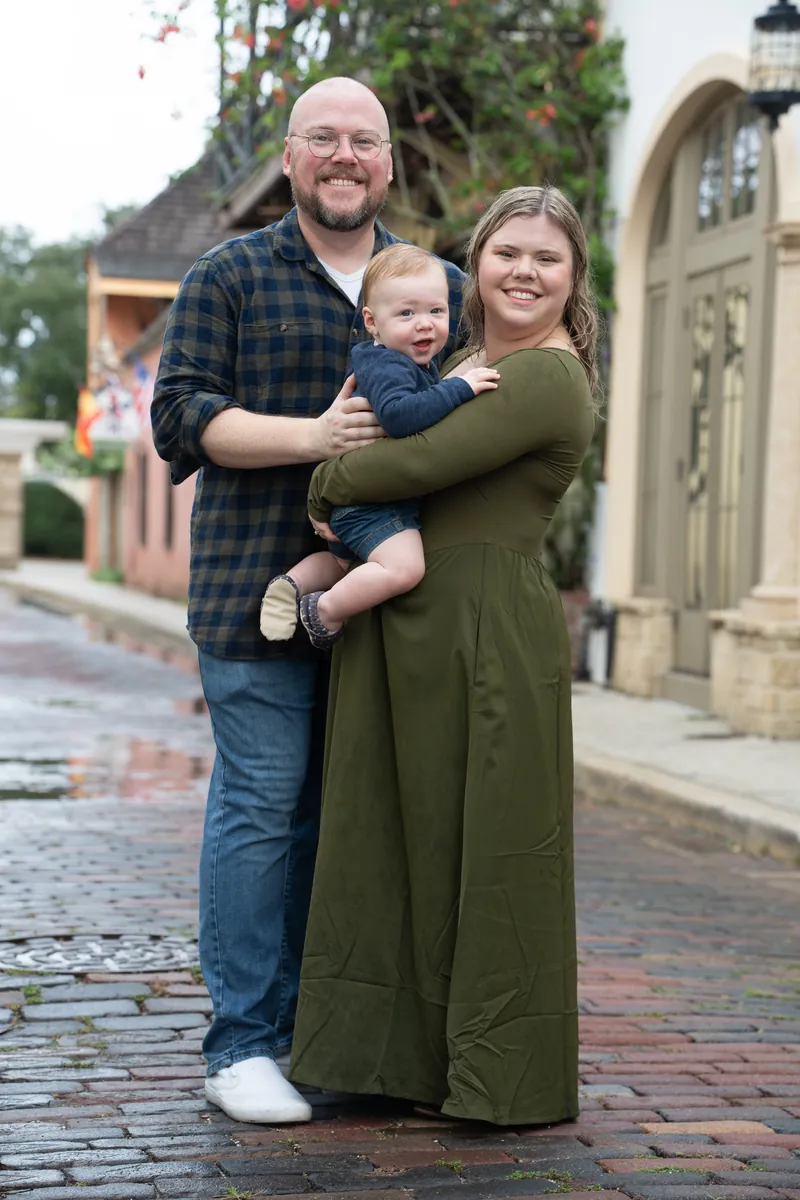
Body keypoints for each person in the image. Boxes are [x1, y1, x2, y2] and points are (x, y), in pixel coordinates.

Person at [150, 76, 465, 1124]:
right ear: (289, 158)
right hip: (252, 596)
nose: (344, 155)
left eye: (363, 141)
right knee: (261, 809)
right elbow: (181, 417)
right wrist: (312, 439)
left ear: (387, 164)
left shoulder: (429, 281)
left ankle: (325, 1034)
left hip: (391, 606)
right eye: (322, 138)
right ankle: (241, 1043)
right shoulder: (229, 272)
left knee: (349, 823)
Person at [288, 185, 597, 1126]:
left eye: (547, 258)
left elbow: (406, 468)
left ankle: (498, 1074)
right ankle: (402, 1062)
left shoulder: (544, 376)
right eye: (508, 252)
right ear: (479, 263)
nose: (525, 272)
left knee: (493, 848)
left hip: (488, 630)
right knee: (409, 841)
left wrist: (327, 473)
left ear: (574, 278)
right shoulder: (461, 364)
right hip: (412, 621)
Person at [259, 243, 499, 650]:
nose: (424, 325)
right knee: (405, 569)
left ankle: (291, 584)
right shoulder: (388, 364)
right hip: (374, 503)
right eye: (406, 313)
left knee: (340, 563)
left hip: (362, 496)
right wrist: (459, 388)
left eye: (435, 312)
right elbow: (400, 416)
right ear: (372, 321)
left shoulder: (408, 361)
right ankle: (324, 612)